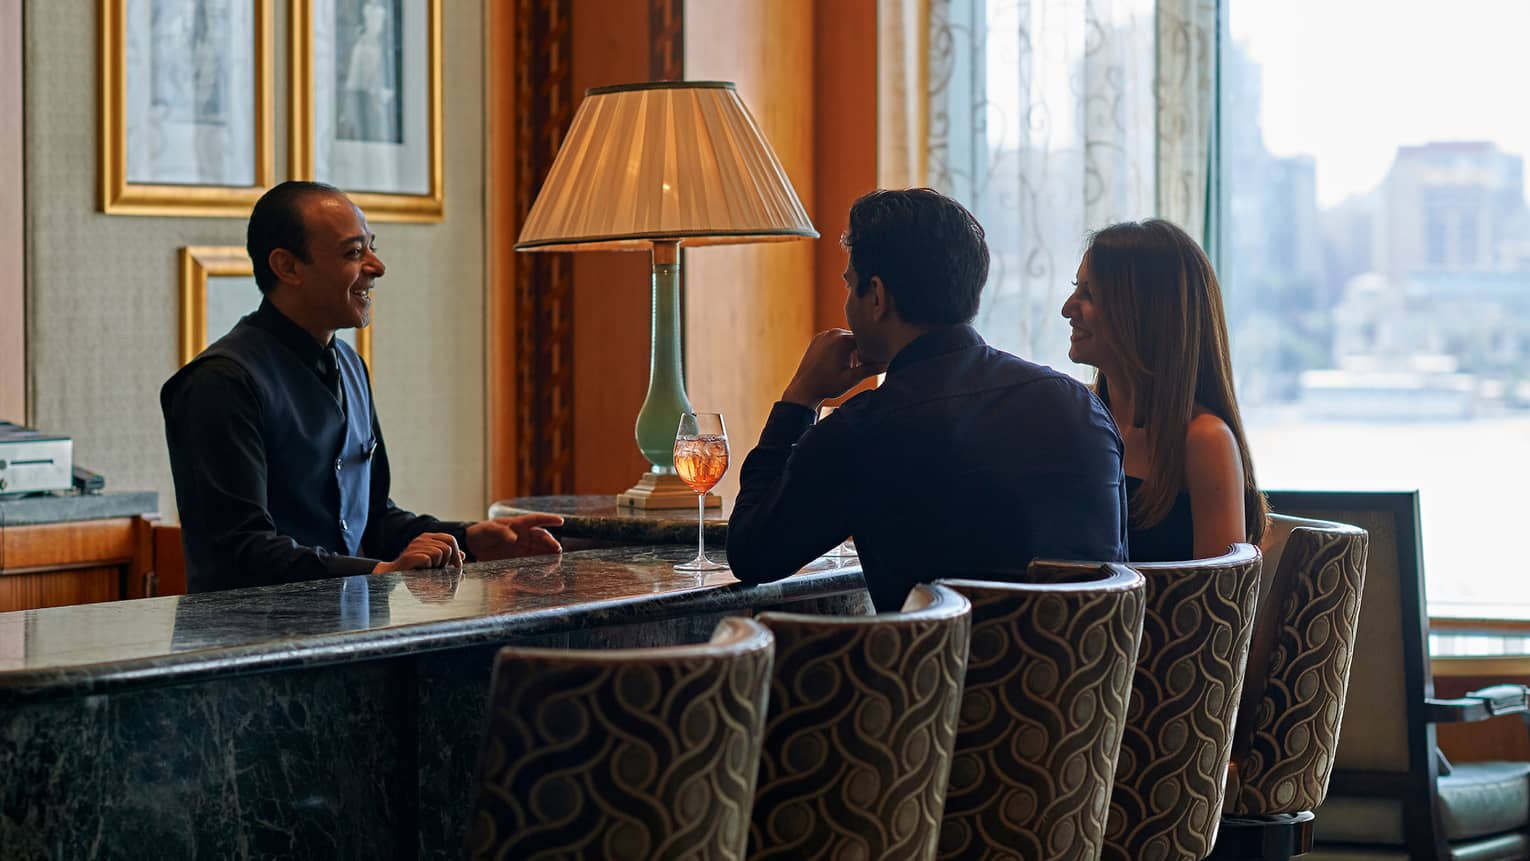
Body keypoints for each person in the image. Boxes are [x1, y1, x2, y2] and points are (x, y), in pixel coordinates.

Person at [726, 188, 1128, 611]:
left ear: (877, 296)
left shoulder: (863, 432)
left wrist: (798, 399)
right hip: (1087, 673)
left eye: (850, 285)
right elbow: (1116, 569)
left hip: (940, 677)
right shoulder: (1079, 407)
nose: (847, 302)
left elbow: (752, 553)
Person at [162, 180, 562, 593]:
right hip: (255, 648)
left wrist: (470, 538)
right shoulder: (220, 382)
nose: (377, 266)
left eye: (372, 247)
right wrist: (378, 573)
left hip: (355, 638)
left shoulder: (351, 366)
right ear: (288, 267)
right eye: (354, 252)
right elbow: (240, 550)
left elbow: (372, 518)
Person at [1059, 218, 1268, 562]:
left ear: (1145, 313)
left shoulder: (1205, 440)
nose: (1067, 308)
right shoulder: (1080, 418)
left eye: (1089, 295)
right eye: (1075, 288)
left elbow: (1218, 606)